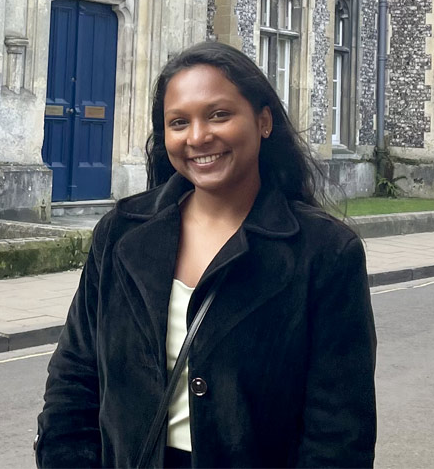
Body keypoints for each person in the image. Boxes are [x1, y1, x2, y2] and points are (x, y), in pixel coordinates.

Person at [36, 41, 377, 468]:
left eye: (219, 114)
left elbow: (340, 431)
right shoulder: (122, 233)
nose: (198, 137)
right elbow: (74, 378)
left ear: (263, 120)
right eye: (179, 122)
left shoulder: (324, 252)